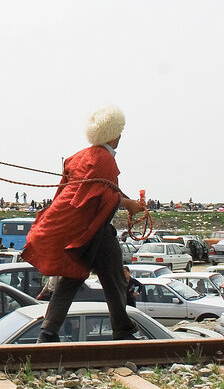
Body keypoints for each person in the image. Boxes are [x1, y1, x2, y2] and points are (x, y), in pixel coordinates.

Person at [21, 105, 145, 343]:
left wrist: (124, 200)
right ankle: (122, 331)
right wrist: (128, 204)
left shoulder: (77, 157)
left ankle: (48, 333)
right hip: (94, 231)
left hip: (82, 229)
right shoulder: (105, 160)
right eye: (119, 132)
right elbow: (101, 196)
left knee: (73, 278)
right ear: (113, 134)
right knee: (114, 279)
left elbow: (73, 193)